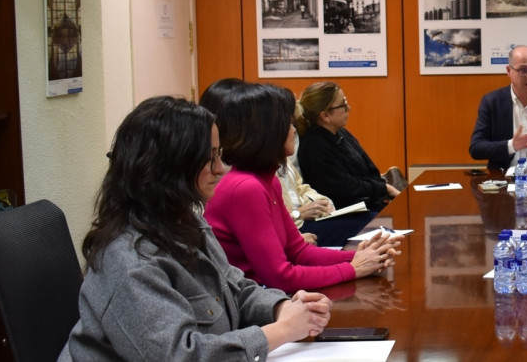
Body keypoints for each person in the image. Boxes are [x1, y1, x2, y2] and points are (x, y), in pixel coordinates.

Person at [59, 96, 332, 361]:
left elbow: (235, 288)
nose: (221, 169)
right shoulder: (129, 261)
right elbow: (179, 355)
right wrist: (282, 330)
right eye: (209, 158)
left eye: (219, 155)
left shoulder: (186, 220)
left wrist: (282, 308)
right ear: (173, 166)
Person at [205, 83, 399, 292]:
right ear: (267, 132)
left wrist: (362, 256)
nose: (294, 131)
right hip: (254, 304)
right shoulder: (246, 188)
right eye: (288, 123)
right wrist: (353, 268)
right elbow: (281, 277)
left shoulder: (265, 179)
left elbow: (299, 252)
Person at [296, 81, 401, 216]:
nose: (349, 108)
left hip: (370, 202)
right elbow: (344, 187)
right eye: (343, 104)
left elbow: (370, 170)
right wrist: (384, 188)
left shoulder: (341, 133)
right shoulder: (314, 146)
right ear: (325, 116)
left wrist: (383, 189)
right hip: (349, 211)